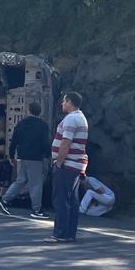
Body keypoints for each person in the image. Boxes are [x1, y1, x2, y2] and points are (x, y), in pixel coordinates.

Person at [48, 91, 89, 243]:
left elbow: (66, 142)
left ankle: (59, 233)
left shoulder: (71, 119)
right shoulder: (81, 118)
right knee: (72, 200)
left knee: (61, 199)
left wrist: (59, 162)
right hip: (75, 165)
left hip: (67, 165)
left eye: (64, 101)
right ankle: (70, 233)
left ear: (70, 102)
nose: (62, 104)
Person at [0, 101, 50, 218]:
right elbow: (45, 143)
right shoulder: (43, 125)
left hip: (21, 157)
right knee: (36, 184)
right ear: (39, 112)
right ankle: (37, 210)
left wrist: (11, 156)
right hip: (35, 158)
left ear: (28, 111)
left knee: (21, 180)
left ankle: (5, 200)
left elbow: (14, 141)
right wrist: (47, 155)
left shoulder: (21, 124)